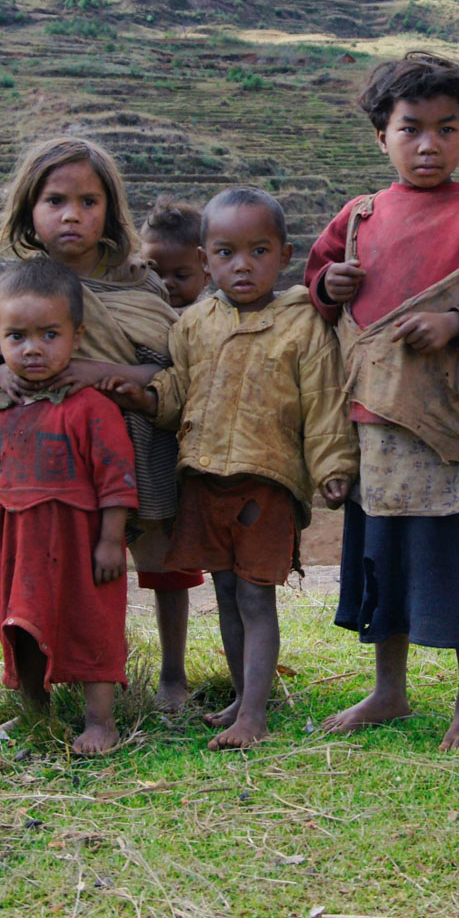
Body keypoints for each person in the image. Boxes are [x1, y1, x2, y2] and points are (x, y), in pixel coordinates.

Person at [304, 51, 459, 750]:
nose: (428, 144)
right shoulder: (358, 216)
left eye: (446, 128)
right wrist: (329, 288)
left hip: (443, 425)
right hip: (373, 423)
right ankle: (390, 690)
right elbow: (317, 286)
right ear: (383, 136)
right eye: (412, 129)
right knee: (384, 558)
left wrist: (457, 324)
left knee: (455, 558)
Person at [108, 187, 357, 749]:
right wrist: (147, 396)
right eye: (225, 253)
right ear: (204, 260)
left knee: (254, 596)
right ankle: (243, 699)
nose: (242, 265)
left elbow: (322, 402)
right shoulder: (194, 325)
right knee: (222, 591)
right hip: (203, 478)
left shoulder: (303, 324)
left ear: (285, 255)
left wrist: (333, 464)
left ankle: (256, 716)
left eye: (259, 251)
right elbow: (179, 390)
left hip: (265, 482)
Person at [0, 137, 195, 711]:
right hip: (56, 459)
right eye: (56, 200)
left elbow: (169, 364)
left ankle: (173, 675)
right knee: (70, 568)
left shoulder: (138, 282)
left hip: (138, 439)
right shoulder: (17, 287)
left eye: (89, 201)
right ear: (29, 212)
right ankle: (56, 676)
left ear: (110, 210)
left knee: (161, 559)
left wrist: (96, 370)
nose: (72, 215)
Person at [0, 259, 137, 754]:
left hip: (78, 541)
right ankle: (36, 716)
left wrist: (110, 541)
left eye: (49, 335)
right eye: (16, 337)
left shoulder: (90, 407)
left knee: (91, 623)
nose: (32, 349)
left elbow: (117, 479)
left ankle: (100, 721)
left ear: (76, 336)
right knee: (20, 622)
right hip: (14, 542)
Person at [140, 197, 211, 311]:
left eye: (181, 276)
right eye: (154, 274)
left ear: (207, 274)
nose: (165, 283)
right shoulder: (134, 309)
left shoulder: (212, 316)